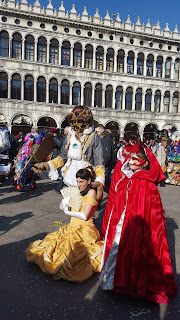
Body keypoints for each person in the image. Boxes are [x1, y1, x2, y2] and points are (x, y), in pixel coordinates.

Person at [99, 144, 177, 304]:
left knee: (129, 250)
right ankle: (120, 282)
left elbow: (148, 211)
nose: (132, 161)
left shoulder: (144, 182)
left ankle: (128, 283)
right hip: (126, 222)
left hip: (134, 225)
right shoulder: (133, 179)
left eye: (136, 159)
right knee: (120, 250)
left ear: (145, 163)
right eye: (131, 159)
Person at [26, 167, 104, 282]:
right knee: (54, 244)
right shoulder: (79, 190)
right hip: (72, 226)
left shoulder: (92, 192)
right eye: (77, 181)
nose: (79, 184)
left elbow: (84, 215)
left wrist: (68, 212)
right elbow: (75, 207)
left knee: (73, 254)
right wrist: (65, 203)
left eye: (81, 182)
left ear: (89, 180)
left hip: (85, 229)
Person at [32, 106, 105, 201]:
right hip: (70, 176)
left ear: (86, 122)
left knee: (83, 209)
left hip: (85, 177)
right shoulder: (69, 136)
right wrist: (47, 165)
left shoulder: (93, 137)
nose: (76, 125)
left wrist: (99, 182)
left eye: (79, 122)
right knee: (71, 207)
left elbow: (99, 161)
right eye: (74, 122)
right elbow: (63, 157)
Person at [95, 125, 116, 194]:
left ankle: (112, 195)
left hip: (105, 164)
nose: (96, 133)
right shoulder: (102, 138)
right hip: (104, 163)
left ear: (101, 131)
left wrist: (102, 163)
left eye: (97, 131)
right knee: (105, 182)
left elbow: (107, 154)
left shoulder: (105, 139)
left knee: (104, 181)